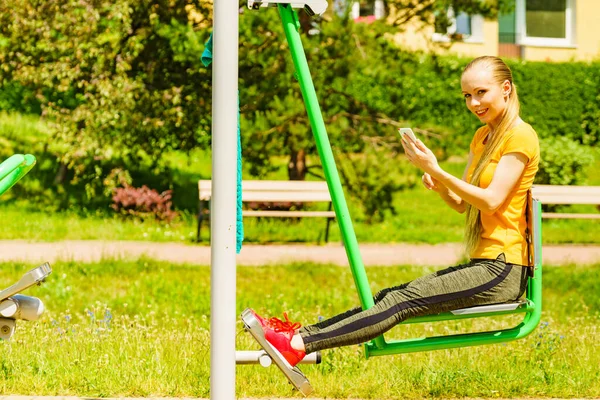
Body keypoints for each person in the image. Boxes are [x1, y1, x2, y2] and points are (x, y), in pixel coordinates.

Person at [247, 55, 540, 367]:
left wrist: (439, 172)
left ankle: (296, 345)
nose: (473, 103)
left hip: (503, 269)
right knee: (388, 296)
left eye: (482, 92)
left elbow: (492, 201)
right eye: (467, 95)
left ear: (506, 89)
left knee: (402, 301)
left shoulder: (520, 136)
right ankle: (297, 336)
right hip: (483, 263)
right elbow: (462, 205)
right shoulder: (482, 136)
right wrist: (439, 182)